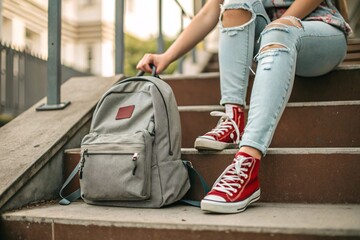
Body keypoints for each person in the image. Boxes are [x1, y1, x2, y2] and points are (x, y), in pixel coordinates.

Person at [137, 0, 351, 214]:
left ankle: (247, 163)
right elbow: (210, 11)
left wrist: (281, 25)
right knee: (235, 4)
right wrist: (167, 56)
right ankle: (233, 118)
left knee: (278, 30)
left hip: (320, 32)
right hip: (272, 36)